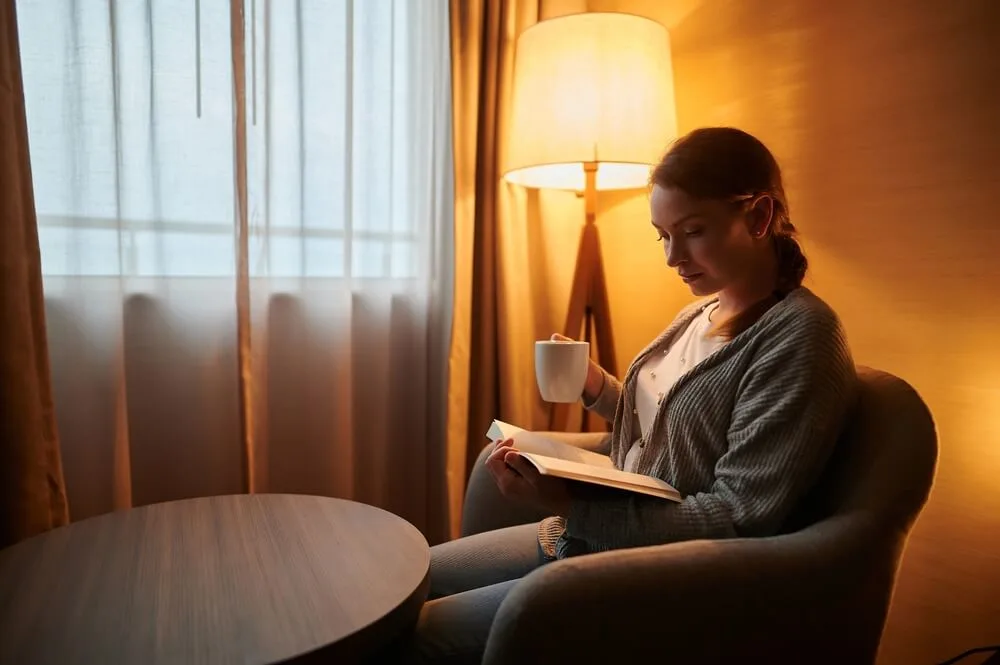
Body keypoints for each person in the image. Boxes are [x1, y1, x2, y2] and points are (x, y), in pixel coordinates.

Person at [400, 127, 856, 663]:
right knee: (402, 584)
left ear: (758, 218)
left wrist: (570, 504)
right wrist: (596, 386)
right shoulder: (702, 312)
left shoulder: (800, 337)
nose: (671, 257)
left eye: (691, 231)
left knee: (414, 634)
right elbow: (667, 426)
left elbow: (738, 519)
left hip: (645, 575)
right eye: (662, 235)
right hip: (581, 537)